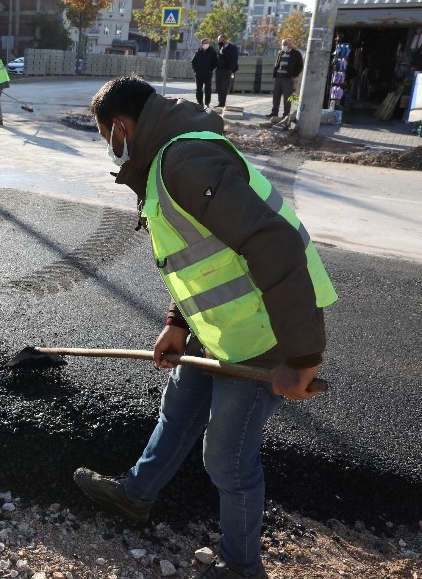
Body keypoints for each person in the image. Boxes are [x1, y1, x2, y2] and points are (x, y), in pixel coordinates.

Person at [75, 75, 338, 579]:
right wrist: (177, 322)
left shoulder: (185, 161)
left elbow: (274, 244)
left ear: (122, 127)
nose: (107, 145)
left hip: (266, 331)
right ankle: (135, 495)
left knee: (228, 461)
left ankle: (242, 567)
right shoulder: (164, 161)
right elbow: (196, 257)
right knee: (179, 410)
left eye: (105, 133)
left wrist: (301, 357)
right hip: (219, 325)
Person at [269, 38, 304, 121]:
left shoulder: (296, 53)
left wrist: (294, 75)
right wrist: (275, 74)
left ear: (290, 44)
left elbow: (300, 66)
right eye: (282, 44)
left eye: (285, 44)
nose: (283, 46)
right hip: (278, 77)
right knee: (276, 96)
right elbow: (277, 64)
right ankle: (274, 112)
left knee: (287, 97)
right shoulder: (280, 52)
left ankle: (286, 115)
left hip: (287, 78)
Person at [191, 38, 218, 109]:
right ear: (202, 44)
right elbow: (193, 62)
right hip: (199, 74)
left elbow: (215, 63)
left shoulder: (212, 52)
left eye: (207, 43)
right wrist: (196, 70)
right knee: (198, 89)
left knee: (208, 89)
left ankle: (207, 103)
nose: (206, 44)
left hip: (208, 74)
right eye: (204, 43)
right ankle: (200, 103)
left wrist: (210, 70)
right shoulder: (198, 52)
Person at [215, 35, 239, 109]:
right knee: (218, 86)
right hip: (219, 70)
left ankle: (222, 103)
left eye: (220, 40)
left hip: (226, 70)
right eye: (218, 40)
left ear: (225, 39)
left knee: (224, 87)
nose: (219, 42)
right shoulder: (221, 47)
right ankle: (220, 102)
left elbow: (234, 59)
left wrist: (231, 69)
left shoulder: (232, 47)